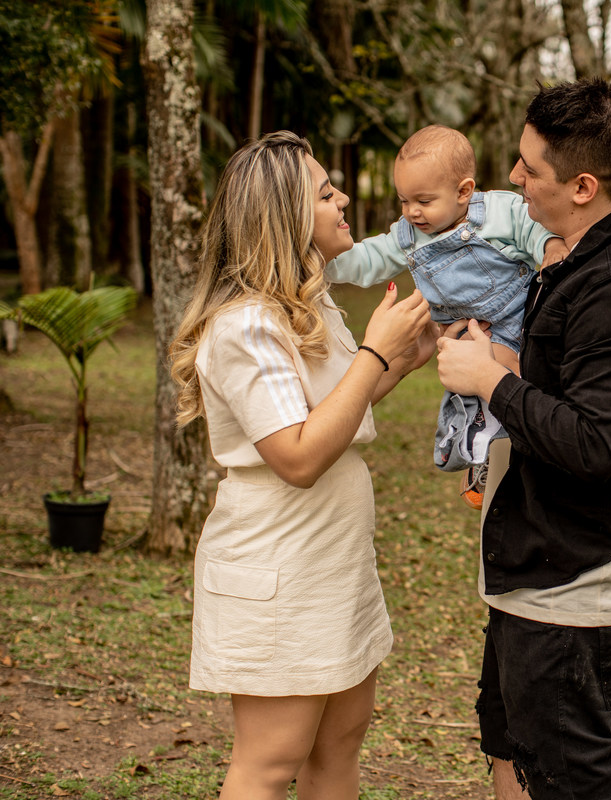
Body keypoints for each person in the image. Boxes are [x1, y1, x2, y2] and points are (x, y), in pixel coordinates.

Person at [435, 79, 611, 800]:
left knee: (568, 775)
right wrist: (505, 363)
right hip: (542, 560)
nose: (513, 177)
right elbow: (576, 386)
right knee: (510, 743)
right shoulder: (579, 251)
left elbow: (593, 444)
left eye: (530, 167)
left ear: (583, 187)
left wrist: (491, 382)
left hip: (583, 577)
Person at [169, 131, 435, 800]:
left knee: (339, 746)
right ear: (284, 218)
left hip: (334, 564)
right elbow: (296, 455)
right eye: (325, 193)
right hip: (280, 570)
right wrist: (375, 352)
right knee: (271, 761)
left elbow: (330, 413)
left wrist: (402, 360)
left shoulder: (306, 305)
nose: (343, 200)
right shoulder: (246, 325)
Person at [325, 124, 568, 508]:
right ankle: (484, 457)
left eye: (423, 200)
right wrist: (322, 262)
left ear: (463, 191)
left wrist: (550, 245)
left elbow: (530, 228)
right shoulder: (407, 236)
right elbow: (367, 260)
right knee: (471, 399)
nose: (411, 212)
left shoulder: (497, 211)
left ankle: (507, 452)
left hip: (517, 318)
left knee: (513, 386)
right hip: (465, 334)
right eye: (404, 200)